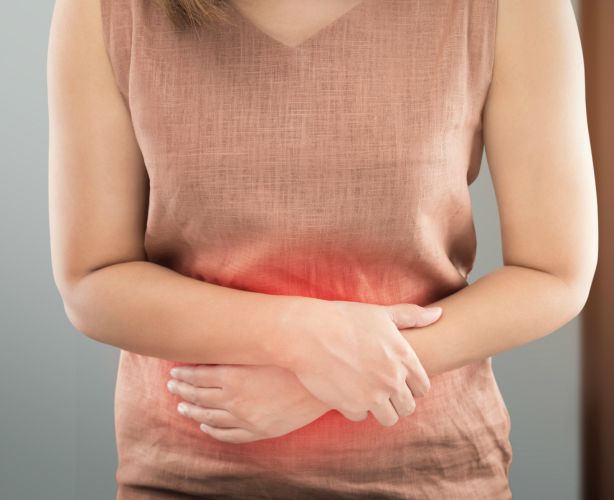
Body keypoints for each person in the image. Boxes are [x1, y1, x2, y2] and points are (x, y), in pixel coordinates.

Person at [47, 0, 597, 498]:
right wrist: (302, 338)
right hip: (185, 477)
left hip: (431, 477)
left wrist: (336, 379)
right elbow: (93, 279)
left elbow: (552, 272)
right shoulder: (104, 9)